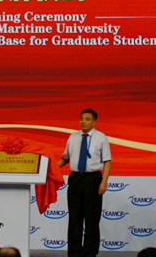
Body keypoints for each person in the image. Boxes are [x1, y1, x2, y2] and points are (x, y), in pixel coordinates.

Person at [57, 108, 112, 257]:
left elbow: (107, 161)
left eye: (87, 119)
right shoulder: (73, 137)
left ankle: (89, 253)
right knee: (74, 218)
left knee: (92, 219)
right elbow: (65, 158)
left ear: (94, 122)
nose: (83, 122)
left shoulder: (101, 137)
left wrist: (104, 182)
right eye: (81, 119)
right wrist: (50, 167)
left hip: (92, 180)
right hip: (75, 179)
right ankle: (74, 252)